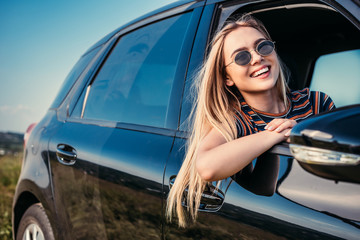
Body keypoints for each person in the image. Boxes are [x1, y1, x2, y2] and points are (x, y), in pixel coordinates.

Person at [166, 14, 335, 227]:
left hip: (328, 208)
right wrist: (275, 134)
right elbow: (208, 167)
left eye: (263, 47)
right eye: (241, 57)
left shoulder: (316, 102)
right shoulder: (238, 120)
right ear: (227, 77)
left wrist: (302, 133)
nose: (256, 58)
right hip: (292, 220)